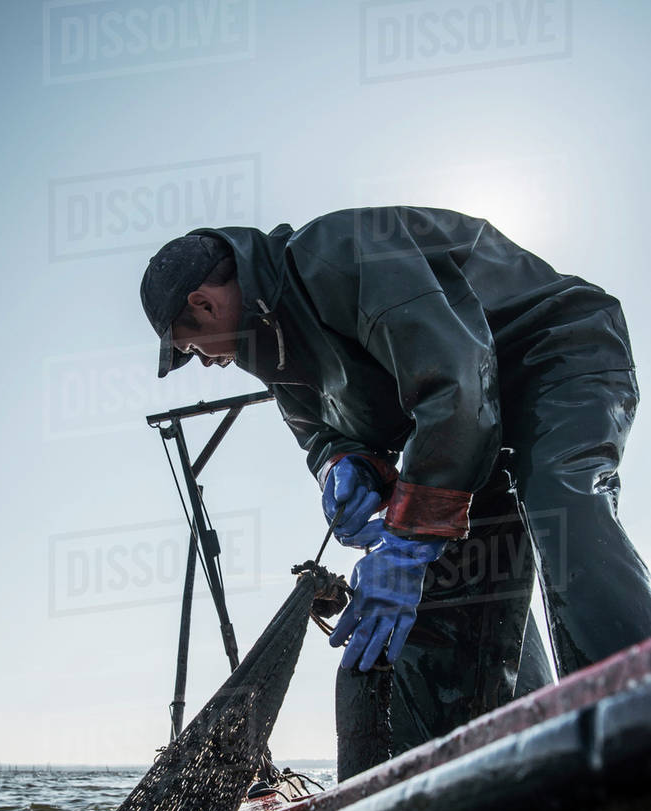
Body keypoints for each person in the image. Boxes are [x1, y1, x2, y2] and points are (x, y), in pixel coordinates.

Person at [140, 207, 651, 778]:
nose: (207, 361)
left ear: (203, 305)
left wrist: (406, 541)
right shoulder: (275, 359)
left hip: (552, 355)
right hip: (463, 430)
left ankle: (632, 711)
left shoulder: (337, 252)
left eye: (191, 347)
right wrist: (341, 465)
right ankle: (480, 770)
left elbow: (456, 379)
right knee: (451, 587)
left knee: (561, 500)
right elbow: (320, 433)